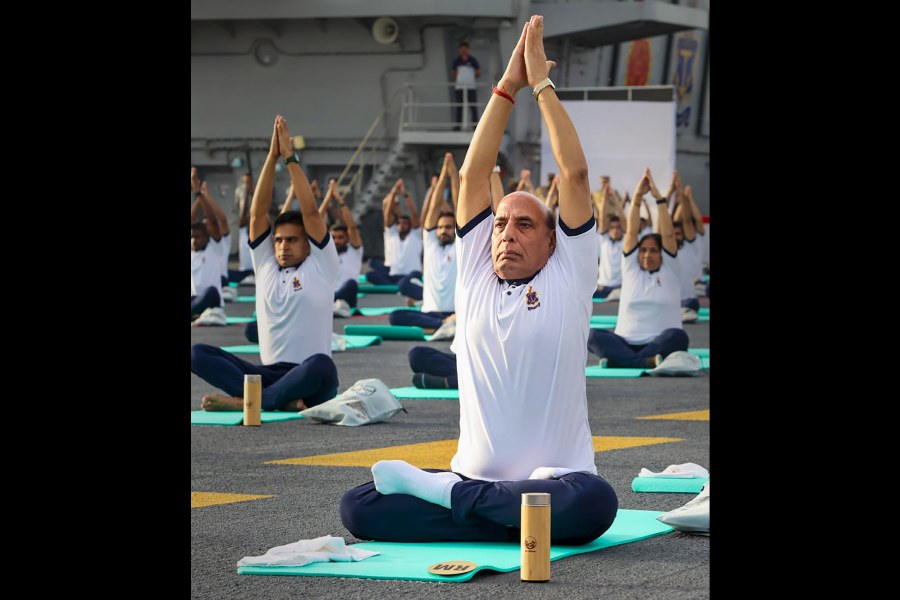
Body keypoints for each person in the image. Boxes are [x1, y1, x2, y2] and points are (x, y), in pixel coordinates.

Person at [341, 16, 617, 545]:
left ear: (553, 242)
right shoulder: (475, 275)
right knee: (357, 508)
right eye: (500, 223)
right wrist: (504, 86)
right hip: (479, 477)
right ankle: (505, 513)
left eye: (525, 223)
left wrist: (538, 84)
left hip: (562, 481)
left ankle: (457, 504)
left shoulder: (569, 275)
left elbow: (575, 176)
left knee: (596, 503)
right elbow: (471, 177)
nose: (507, 233)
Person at [191, 115, 340, 412]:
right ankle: (271, 400)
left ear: (309, 244)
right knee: (197, 353)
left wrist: (289, 158)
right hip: (268, 375)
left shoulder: (322, 265)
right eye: (280, 240)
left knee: (322, 365)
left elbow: (310, 213)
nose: (283, 246)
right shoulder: (267, 267)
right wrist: (270, 159)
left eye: (293, 240)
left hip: (310, 378)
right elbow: (257, 216)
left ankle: (254, 402)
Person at [586, 168, 689, 368]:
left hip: (659, 342)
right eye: (643, 251)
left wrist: (659, 198)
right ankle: (641, 361)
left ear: (663, 254)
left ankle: (625, 361)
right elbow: (631, 231)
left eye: (653, 251)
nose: (647, 255)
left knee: (678, 337)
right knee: (592, 336)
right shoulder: (631, 268)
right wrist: (637, 197)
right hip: (625, 342)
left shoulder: (670, 270)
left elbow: (667, 235)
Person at [365, 178, 423, 287]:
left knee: (415, 275)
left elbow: (414, 214)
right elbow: (387, 215)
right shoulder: (392, 234)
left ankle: (399, 286)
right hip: (392, 274)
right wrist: (393, 192)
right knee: (370, 272)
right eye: (399, 223)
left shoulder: (415, 235)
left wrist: (404, 193)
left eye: (405, 223)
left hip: (409, 275)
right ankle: (397, 287)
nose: (402, 225)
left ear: (410, 225)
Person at [319, 179, 364, 318]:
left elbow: (352, 227)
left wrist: (339, 199)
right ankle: (331, 306)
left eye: (340, 237)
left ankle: (331, 306)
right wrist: (327, 197)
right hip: (327, 296)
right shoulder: (326, 252)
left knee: (351, 284)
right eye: (334, 237)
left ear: (347, 239)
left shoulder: (354, 250)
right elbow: (315, 222)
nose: (336, 240)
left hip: (347, 297)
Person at [191, 169, 228, 320]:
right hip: (194, 300)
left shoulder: (215, 248)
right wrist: (197, 194)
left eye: (198, 237)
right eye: (192, 237)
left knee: (211, 291)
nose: (194, 241)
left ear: (207, 237)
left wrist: (200, 195)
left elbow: (214, 222)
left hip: (211, 300)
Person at [593, 177, 626, 300]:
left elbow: (623, 217)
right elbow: (601, 218)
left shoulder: (625, 241)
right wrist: (605, 198)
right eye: (612, 227)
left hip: (620, 288)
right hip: (602, 287)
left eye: (618, 227)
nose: (616, 230)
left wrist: (615, 199)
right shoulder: (604, 239)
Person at [451, 41, 481, 130]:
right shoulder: (456, 61)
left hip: (471, 87)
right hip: (459, 87)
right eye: (462, 49)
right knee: (459, 107)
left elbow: (478, 73)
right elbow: (453, 73)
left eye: (465, 48)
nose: (463, 50)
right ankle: (458, 126)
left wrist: (470, 77)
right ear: (459, 50)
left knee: (473, 106)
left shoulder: (473, 60)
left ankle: (475, 126)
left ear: (468, 49)